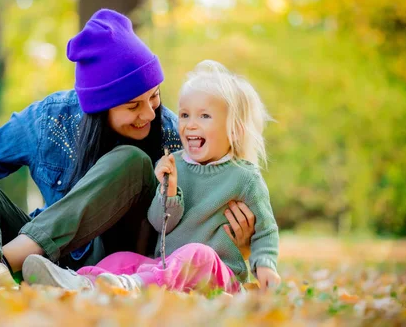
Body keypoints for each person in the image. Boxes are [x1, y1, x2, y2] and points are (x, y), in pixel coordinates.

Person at [0, 10, 256, 288]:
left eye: (155, 97)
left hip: (118, 260)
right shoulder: (49, 120)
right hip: (38, 253)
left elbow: (210, 199)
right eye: (133, 106)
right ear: (100, 106)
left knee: (133, 162)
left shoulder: (170, 131)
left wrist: (238, 244)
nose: (149, 113)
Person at [22, 60, 280, 294]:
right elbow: (159, 222)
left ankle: (131, 286)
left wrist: (264, 264)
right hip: (165, 267)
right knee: (121, 259)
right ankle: (79, 282)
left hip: (217, 275)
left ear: (234, 130)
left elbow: (265, 229)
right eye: (184, 114)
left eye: (204, 116)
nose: (190, 124)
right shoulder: (175, 163)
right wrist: (169, 193)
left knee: (199, 254)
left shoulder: (244, 177)